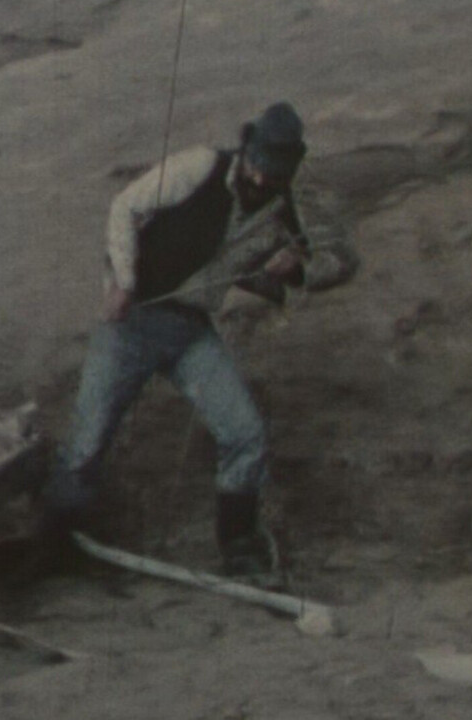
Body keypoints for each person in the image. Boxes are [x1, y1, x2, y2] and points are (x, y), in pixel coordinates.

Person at [44, 102, 359, 578]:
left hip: (192, 331)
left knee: (245, 432)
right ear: (245, 150)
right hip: (133, 321)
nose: (259, 183)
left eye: (272, 178)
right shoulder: (199, 166)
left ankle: (239, 546)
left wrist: (300, 267)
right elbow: (124, 206)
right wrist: (124, 282)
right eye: (256, 169)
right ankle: (54, 545)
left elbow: (343, 261)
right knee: (87, 441)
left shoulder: (289, 203)